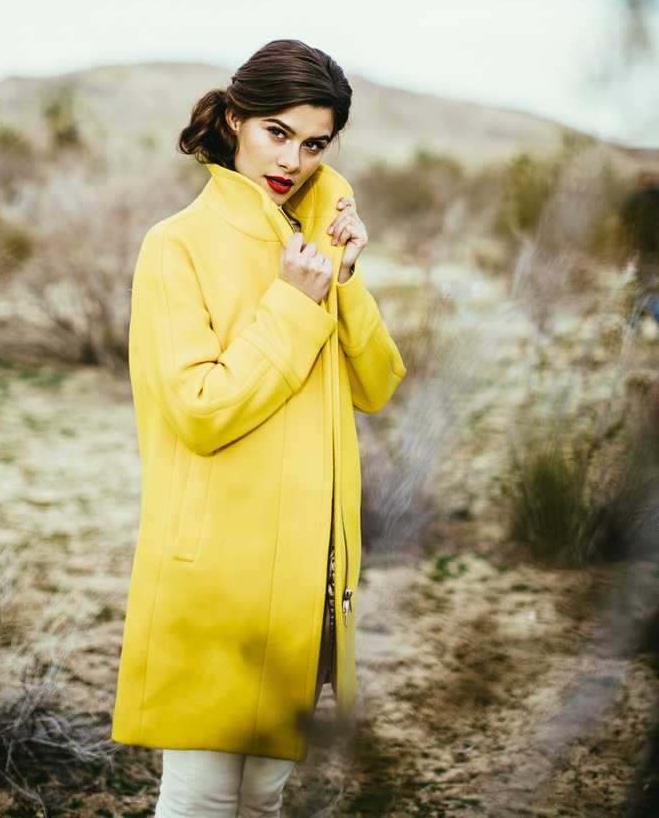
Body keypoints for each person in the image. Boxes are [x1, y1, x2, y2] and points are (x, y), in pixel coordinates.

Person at [112, 40, 405, 818]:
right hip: (217, 568)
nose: (294, 160)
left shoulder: (314, 249)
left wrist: (340, 279)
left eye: (315, 143)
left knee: (265, 796)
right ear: (236, 119)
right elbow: (202, 411)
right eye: (277, 132)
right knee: (203, 796)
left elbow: (376, 385)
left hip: (309, 572)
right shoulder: (176, 246)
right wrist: (294, 305)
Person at [623, 172, 659, 331]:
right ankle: (635, 322)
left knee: (645, 286)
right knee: (649, 287)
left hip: (644, 251)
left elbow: (625, 222)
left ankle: (634, 323)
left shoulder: (636, 199)